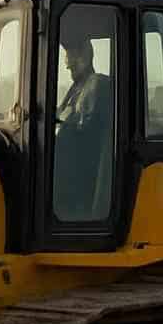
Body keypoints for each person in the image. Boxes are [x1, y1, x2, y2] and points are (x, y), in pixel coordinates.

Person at [53, 36, 113, 220]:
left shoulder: (96, 84)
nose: (67, 65)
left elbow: (77, 132)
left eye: (71, 58)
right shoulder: (77, 87)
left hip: (79, 178)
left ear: (85, 57)